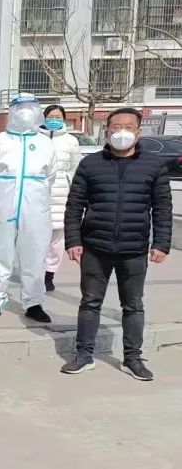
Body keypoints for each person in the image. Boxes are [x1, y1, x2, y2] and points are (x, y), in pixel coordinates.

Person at [61, 108, 172, 381]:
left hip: (134, 249)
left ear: (138, 132)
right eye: (116, 127)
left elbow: (162, 208)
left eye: (128, 127)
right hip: (94, 247)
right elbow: (74, 205)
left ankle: (132, 358)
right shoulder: (90, 164)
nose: (122, 132)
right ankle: (84, 355)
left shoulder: (154, 165)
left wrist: (161, 244)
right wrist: (73, 240)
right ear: (107, 131)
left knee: (133, 305)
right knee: (90, 302)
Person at [0, 93, 56, 323]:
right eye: (20, 107)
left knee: (35, 254)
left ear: (37, 112)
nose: (25, 112)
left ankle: (33, 302)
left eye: (30, 107)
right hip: (3, 205)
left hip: (35, 207)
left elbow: (50, 176)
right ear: (11, 111)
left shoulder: (45, 143)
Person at [40, 104, 81, 292]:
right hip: (38, 192)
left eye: (58, 117)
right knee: (35, 236)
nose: (54, 120)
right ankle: (34, 271)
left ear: (64, 119)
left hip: (61, 194)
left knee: (57, 237)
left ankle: (49, 274)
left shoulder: (71, 141)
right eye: (51, 116)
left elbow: (75, 167)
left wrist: (69, 185)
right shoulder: (35, 138)